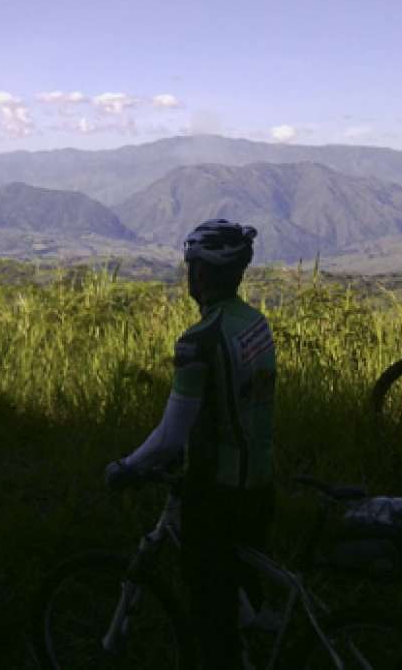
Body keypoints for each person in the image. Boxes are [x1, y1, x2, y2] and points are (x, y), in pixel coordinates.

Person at [105, 219, 276, 669]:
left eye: (192, 266)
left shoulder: (199, 342)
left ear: (202, 273)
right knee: (245, 595)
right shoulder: (256, 325)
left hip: (218, 493)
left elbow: (170, 436)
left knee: (211, 616)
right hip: (260, 481)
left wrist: (127, 467)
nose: (189, 275)